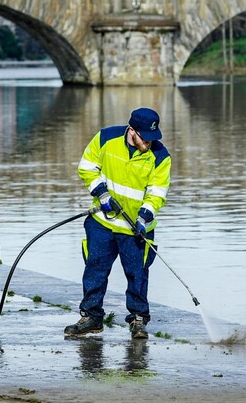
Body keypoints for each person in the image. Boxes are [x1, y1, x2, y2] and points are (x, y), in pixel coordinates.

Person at [65, 107, 171, 340]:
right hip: (102, 222)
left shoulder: (161, 156)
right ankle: (92, 317)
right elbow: (87, 167)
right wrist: (101, 194)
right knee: (95, 268)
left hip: (137, 229)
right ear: (131, 131)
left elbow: (157, 193)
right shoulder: (105, 139)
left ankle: (138, 319)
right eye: (145, 138)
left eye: (153, 138)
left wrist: (144, 217)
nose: (149, 144)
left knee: (137, 274)